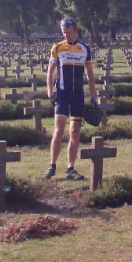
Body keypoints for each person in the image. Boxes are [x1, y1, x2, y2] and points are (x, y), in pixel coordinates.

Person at [44, 18, 97, 180]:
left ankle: (70, 169)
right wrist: (49, 92)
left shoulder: (84, 49)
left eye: (68, 32)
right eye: (63, 32)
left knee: (74, 132)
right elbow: (50, 71)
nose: (65, 35)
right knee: (58, 130)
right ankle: (52, 166)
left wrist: (94, 96)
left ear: (76, 30)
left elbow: (89, 74)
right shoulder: (58, 48)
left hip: (77, 95)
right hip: (62, 94)